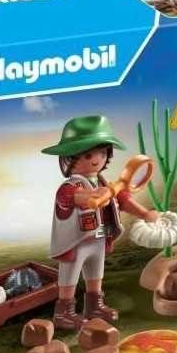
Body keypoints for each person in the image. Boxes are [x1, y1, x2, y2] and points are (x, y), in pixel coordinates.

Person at [42, 115, 159, 331]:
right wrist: (95, 195)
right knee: (70, 275)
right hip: (75, 243)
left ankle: (94, 306)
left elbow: (123, 200)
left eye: (103, 153)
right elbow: (76, 197)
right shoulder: (69, 187)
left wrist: (144, 213)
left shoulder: (106, 183)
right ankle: (64, 312)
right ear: (70, 157)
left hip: (99, 238)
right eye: (88, 155)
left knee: (96, 273)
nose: (97, 159)